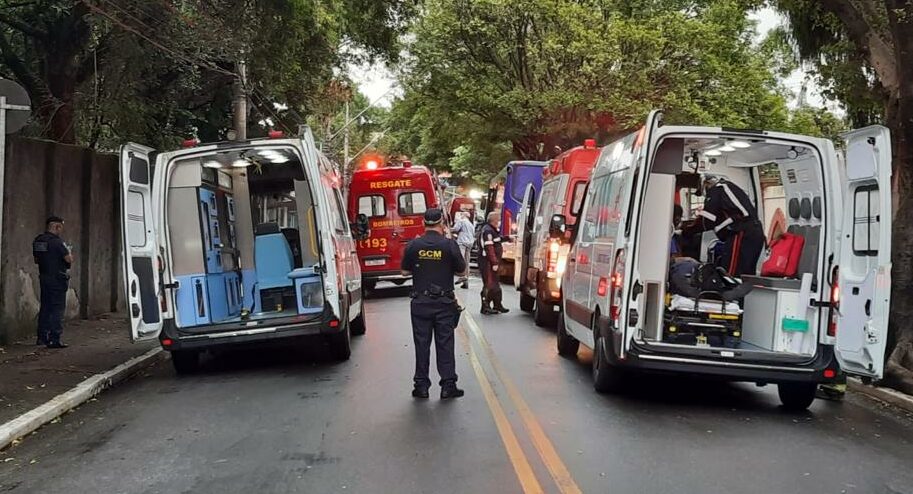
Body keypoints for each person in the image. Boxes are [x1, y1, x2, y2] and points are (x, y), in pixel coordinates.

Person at [401, 208, 466, 400]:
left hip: (420, 302)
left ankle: (421, 386)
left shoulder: (413, 245)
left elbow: (404, 272)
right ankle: (448, 385)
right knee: (445, 343)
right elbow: (462, 272)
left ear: (424, 223)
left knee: (422, 344)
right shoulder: (449, 245)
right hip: (444, 303)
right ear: (441, 223)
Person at [680, 175, 765, 277]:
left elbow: (707, 220)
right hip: (755, 231)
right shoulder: (730, 188)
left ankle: (732, 291)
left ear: (706, 184)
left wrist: (687, 231)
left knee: (731, 272)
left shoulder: (716, 190)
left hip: (741, 231)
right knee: (747, 271)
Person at [32, 216, 73, 348]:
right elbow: (68, 259)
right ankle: (55, 339)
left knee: (45, 307)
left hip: (44, 277)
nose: (61, 230)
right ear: (56, 226)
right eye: (61, 227)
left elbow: (36, 260)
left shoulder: (38, 241)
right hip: (57, 278)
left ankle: (42, 338)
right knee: (57, 309)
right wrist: (70, 254)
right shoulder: (57, 242)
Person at [478, 211, 509, 315]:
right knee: (489, 284)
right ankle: (485, 306)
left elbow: (497, 240)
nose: (499, 221)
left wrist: (507, 238)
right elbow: (489, 248)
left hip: (491, 262)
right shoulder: (488, 231)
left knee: (495, 283)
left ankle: (497, 304)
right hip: (487, 262)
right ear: (494, 220)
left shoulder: (492, 230)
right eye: (498, 219)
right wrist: (494, 262)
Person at [451, 211, 475, 288]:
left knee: (460, 259)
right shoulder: (471, 225)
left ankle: (462, 276)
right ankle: (466, 281)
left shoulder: (461, 221)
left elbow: (455, 229)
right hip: (470, 243)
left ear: (463, 215)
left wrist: (447, 229)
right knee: (467, 261)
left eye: (461, 215)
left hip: (462, 242)